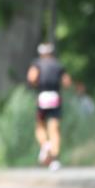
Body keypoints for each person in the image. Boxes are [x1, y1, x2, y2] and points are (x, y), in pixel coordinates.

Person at [27, 43, 72, 171]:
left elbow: (32, 77)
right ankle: (55, 159)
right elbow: (67, 82)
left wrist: (35, 85)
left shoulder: (37, 64)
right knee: (54, 128)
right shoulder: (58, 65)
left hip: (43, 96)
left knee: (40, 125)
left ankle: (45, 144)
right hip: (55, 97)